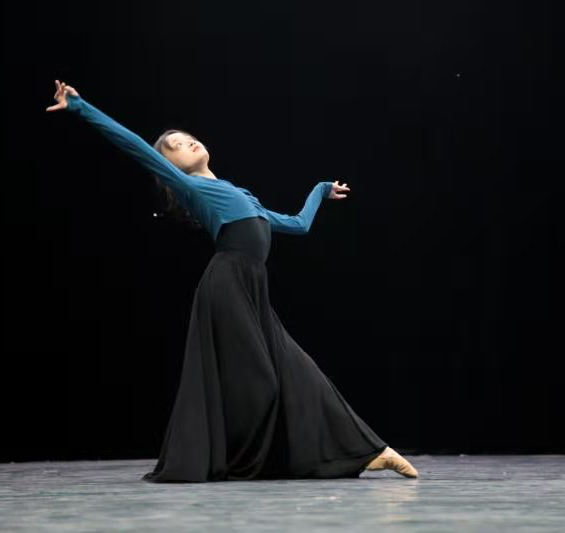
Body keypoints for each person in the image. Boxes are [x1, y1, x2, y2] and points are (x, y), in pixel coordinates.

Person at [46, 80, 419, 481]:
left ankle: (369, 452)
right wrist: (81, 107)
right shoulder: (190, 187)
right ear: (171, 166)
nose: (187, 143)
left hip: (253, 291)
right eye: (176, 145)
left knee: (302, 372)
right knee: (261, 383)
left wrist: (320, 189)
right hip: (226, 285)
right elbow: (134, 145)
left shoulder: (241, 194)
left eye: (187, 137)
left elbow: (298, 225)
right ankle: (244, 460)